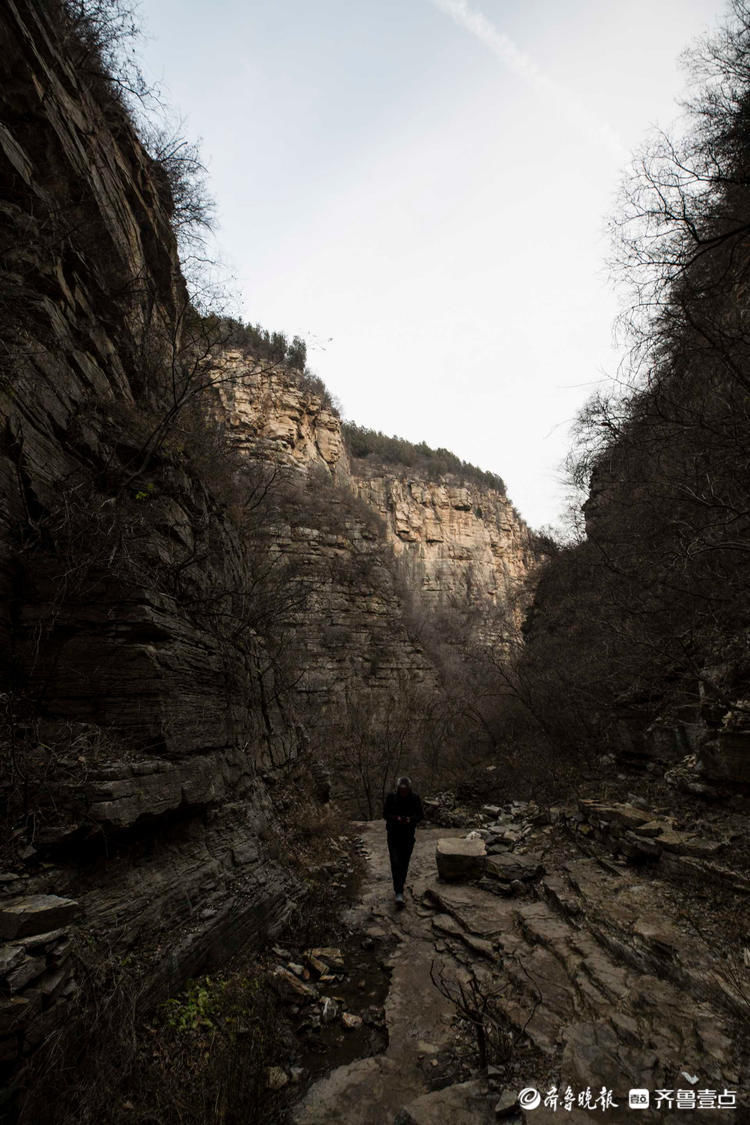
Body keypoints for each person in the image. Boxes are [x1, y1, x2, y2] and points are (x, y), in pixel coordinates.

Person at [383, 776, 424, 907]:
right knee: (395, 862)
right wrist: (397, 819)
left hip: (407, 836)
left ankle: (400, 886)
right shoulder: (391, 798)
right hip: (394, 835)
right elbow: (385, 814)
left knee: (404, 863)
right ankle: (398, 892)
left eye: (405, 790)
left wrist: (410, 820)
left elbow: (420, 815)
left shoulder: (415, 798)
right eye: (401, 790)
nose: (403, 792)